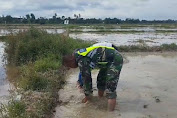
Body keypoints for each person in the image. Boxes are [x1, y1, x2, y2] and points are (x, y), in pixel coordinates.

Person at [63, 42, 123, 111]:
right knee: (100, 81)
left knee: (110, 89)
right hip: (105, 62)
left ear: (70, 61)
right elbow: (83, 76)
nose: (70, 68)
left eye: (69, 66)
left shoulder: (81, 60)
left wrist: (87, 97)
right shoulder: (78, 55)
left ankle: (110, 113)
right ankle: (101, 99)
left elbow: (86, 79)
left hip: (115, 60)